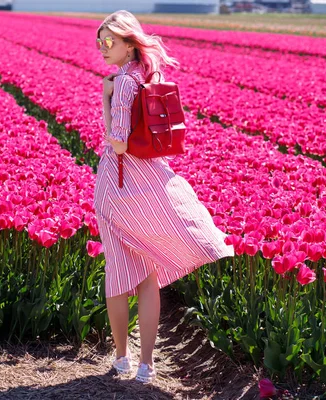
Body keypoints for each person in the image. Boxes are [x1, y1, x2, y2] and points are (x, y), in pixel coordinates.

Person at [93, 10, 235, 384]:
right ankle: (146, 365)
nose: (103, 48)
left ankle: (121, 358)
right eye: (100, 41)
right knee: (148, 276)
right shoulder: (148, 75)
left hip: (119, 186)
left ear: (128, 43)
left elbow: (118, 144)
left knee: (119, 274)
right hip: (151, 183)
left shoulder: (122, 83)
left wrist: (106, 99)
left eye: (110, 41)